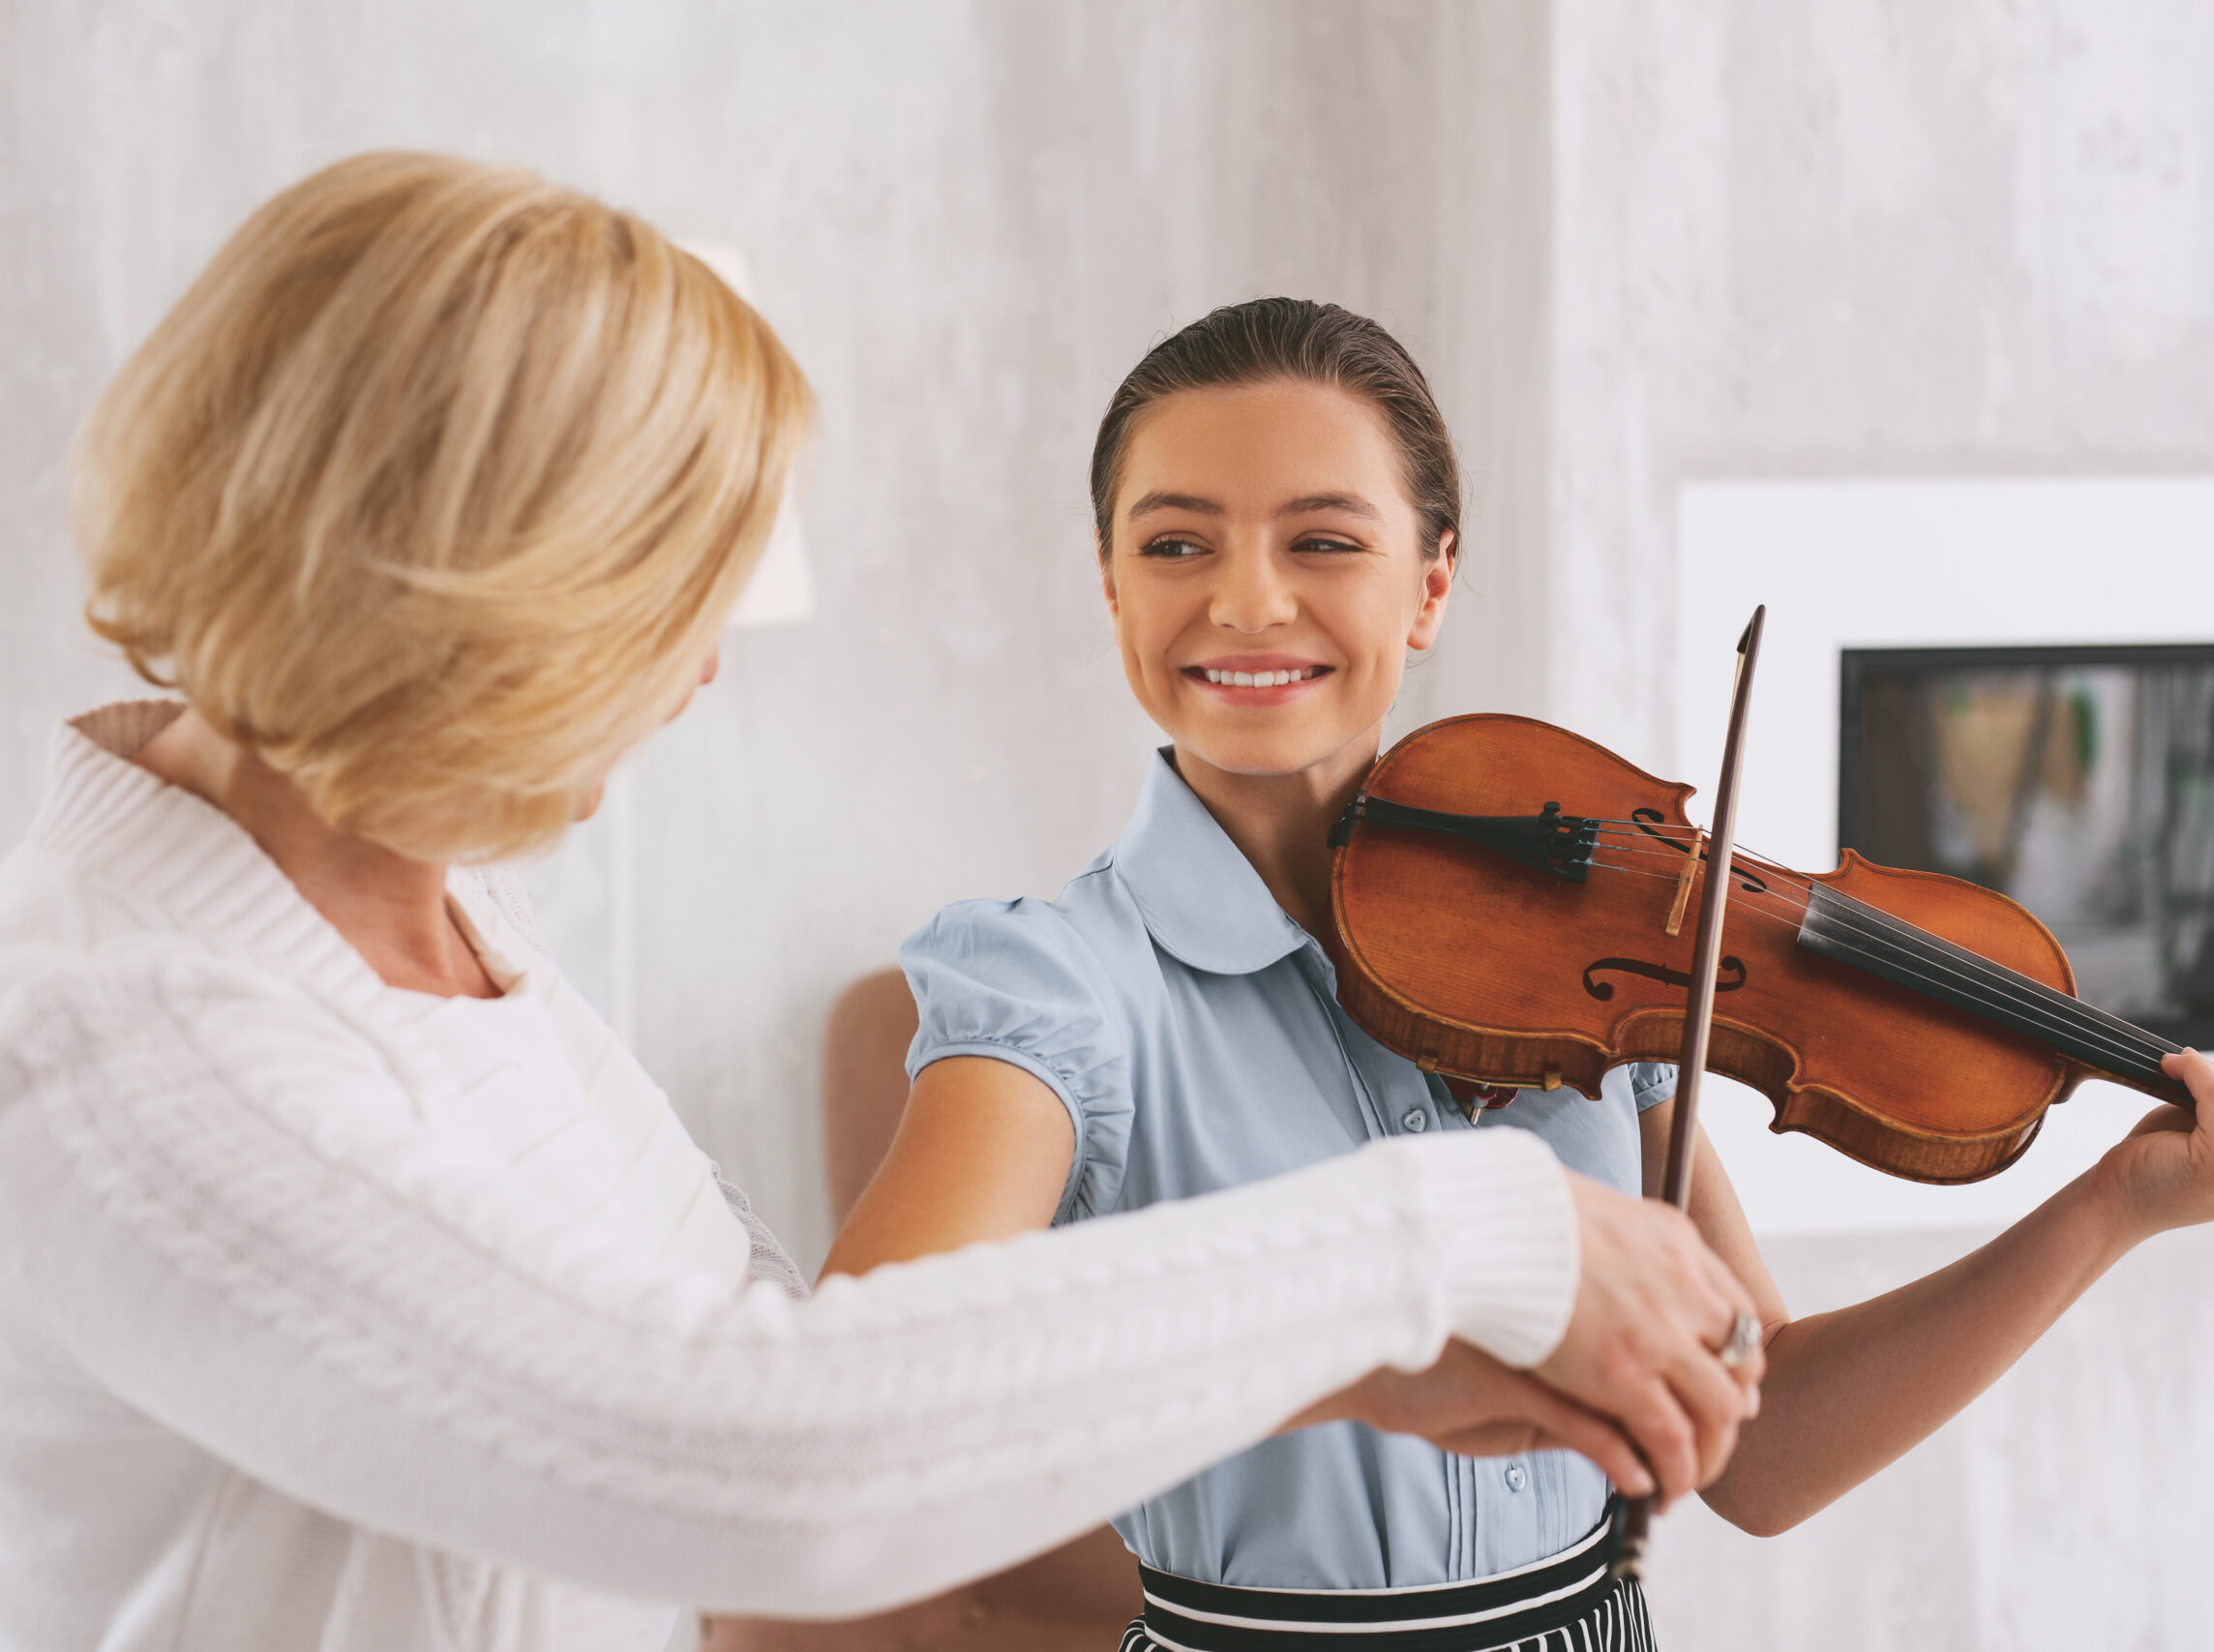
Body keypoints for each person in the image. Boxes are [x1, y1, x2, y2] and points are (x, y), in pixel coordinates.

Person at [0, 159, 1766, 1651]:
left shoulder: (429, 927)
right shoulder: (133, 1046)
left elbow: (800, 1386)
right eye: (664, 602)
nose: (694, 677)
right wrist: (1449, 1245)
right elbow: (772, 1473)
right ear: (464, 587)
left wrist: (1338, 1383)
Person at [828, 297, 2214, 1650]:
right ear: (1110, 589)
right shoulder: (1058, 986)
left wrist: (2117, 1203)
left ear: (1431, 584)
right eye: (1176, 543)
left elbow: (1760, 1456)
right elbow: (859, 1412)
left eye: (1325, 540)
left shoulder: (1592, 948)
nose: (1245, 601)